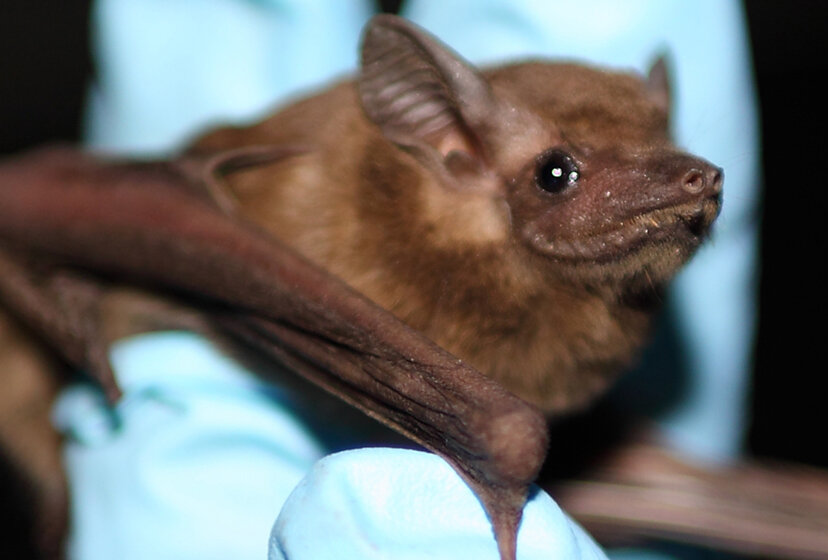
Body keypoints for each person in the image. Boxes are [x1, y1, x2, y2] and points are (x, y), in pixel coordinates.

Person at [56, 1, 759, 557]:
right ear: (457, 155)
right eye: (558, 176)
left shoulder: (611, 318)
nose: (676, 181)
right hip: (195, 280)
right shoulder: (355, 248)